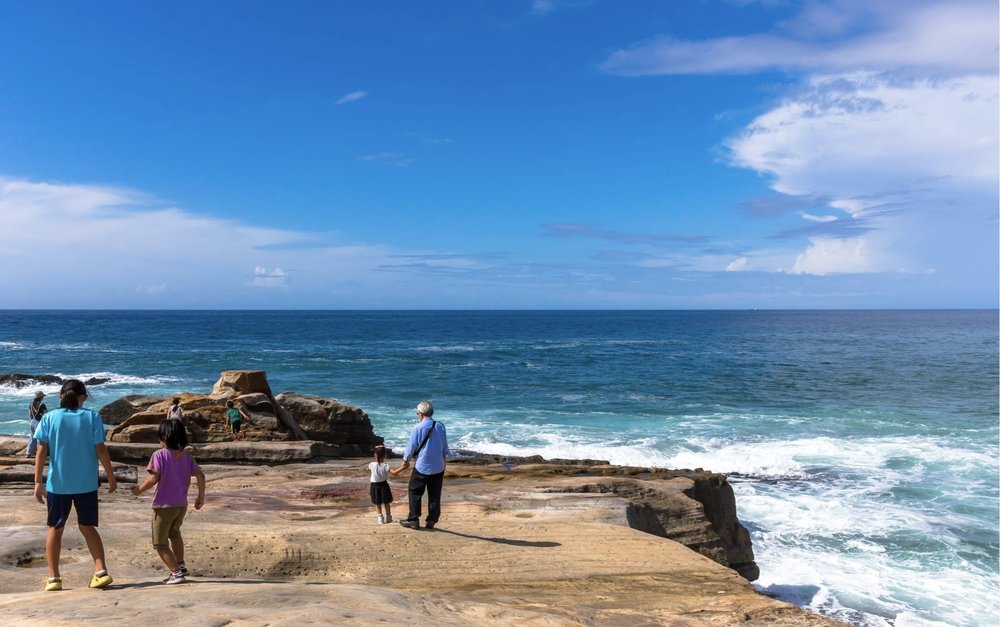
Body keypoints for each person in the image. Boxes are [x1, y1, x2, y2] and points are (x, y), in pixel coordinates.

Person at [33, 379, 117, 591]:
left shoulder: (49, 418)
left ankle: (54, 578)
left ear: (62, 396)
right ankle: (101, 572)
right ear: (84, 397)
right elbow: (100, 449)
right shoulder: (92, 417)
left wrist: (37, 482)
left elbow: (41, 451)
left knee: (55, 528)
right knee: (88, 527)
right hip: (86, 483)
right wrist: (111, 475)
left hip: (58, 484)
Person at [131, 420, 206, 585]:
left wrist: (138, 490)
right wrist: (200, 497)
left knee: (159, 542)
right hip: (181, 505)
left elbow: (153, 478)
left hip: (163, 506)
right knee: (175, 533)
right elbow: (201, 475)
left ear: (164, 437)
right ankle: (181, 564)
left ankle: (176, 572)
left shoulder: (160, 455)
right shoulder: (187, 457)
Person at [390, 400, 449, 530]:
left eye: (418, 413)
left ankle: (413, 519)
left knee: (414, 491)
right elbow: (444, 446)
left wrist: (405, 461)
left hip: (422, 466)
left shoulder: (418, 428)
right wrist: (444, 461)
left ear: (421, 414)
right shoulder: (440, 426)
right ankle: (432, 520)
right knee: (434, 494)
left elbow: (411, 447)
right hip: (438, 466)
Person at [368, 444, 393, 524]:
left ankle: (380, 518)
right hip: (384, 485)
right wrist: (402, 468)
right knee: (386, 502)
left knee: (377, 503)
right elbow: (394, 472)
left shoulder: (371, 464)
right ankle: (388, 517)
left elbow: (369, 469)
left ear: (375, 455)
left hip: (374, 486)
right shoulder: (386, 465)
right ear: (385, 455)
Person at [27, 391, 48, 458]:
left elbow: (30, 415)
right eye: (43, 397)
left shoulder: (31, 404)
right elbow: (47, 414)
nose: (43, 398)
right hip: (38, 422)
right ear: (40, 397)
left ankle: (29, 453)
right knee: (40, 439)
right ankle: (40, 455)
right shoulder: (42, 405)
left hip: (32, 422)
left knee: (32, 438)